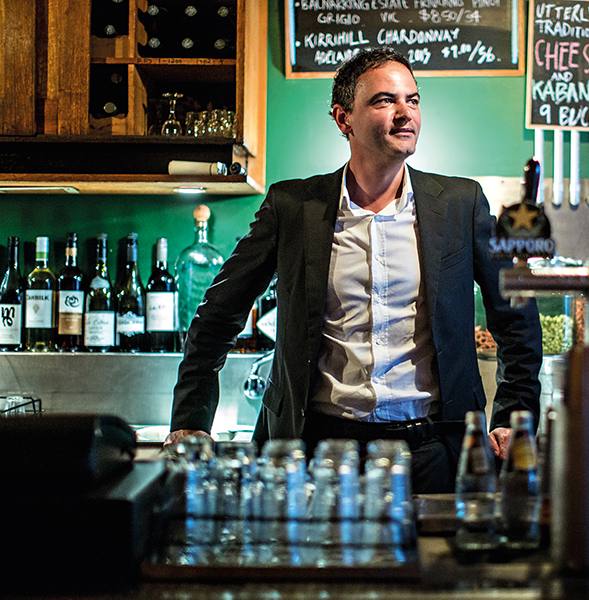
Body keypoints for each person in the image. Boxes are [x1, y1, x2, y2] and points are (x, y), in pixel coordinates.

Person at [165, 47, 542, 493]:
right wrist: (191, 420)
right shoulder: (293, 207)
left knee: (439, 564)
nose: (405, 114)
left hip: (433, 454)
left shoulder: (461, 204)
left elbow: (516, 318)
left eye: (413, 100)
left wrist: (513, 417)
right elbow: (217, 317)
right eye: (385, 101)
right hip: (313, 456)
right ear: (344, 119)